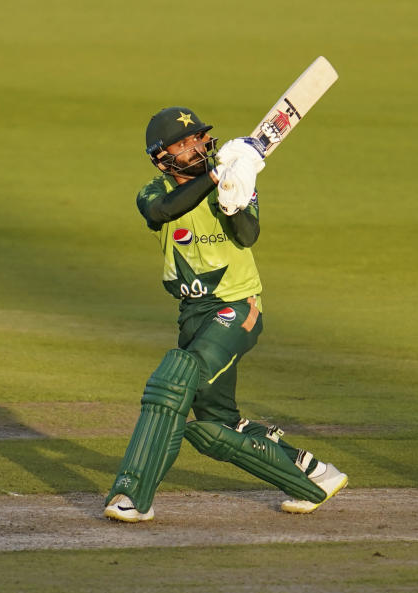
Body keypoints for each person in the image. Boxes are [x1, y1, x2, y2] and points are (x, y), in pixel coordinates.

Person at [103, 106, 348, 522]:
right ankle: (313, 473)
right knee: (217, 426)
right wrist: (213, 178)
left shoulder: (237, 178)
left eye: (198, 138)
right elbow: (162, 212)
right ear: (161, 157)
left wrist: (235, 200)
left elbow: (249, 235)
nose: (195, 147)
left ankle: (133, 494)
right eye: (183, 144)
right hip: (194, 314)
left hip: (239, 306)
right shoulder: (151, 190)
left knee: (174, 378)